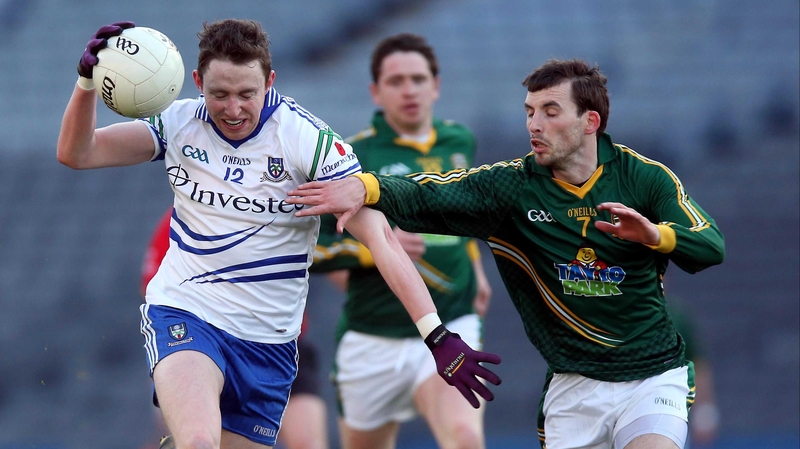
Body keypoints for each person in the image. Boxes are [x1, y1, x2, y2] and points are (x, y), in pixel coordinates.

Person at [57, 19, 500, 449]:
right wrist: (85, 85)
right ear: (196, 81)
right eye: (219, 94)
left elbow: (381, 238)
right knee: (197, 441)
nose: (233, 109)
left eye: (247, 94)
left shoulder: (306, 140)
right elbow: (78, 153)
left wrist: (437, 336)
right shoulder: (176, 123)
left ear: (270, 80)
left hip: (269, 342)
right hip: (188, 311)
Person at [287, 58, 726, 449]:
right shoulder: (510, 188)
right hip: (573, 386)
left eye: (550, 112)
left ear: (590, 121)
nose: (534, 124)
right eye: (530, 112)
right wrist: (364, 186)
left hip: (652, 377)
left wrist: (655, 236)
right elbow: (429, 196)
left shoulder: (644, 179)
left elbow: (710, 246)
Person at [310, 34, 492, 449]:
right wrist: (373, 248)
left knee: (465, 437)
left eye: (417, 78)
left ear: (436, 85)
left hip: (452, 322)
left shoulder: (460, 142)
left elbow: (462, 215)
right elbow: (314, 250)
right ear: (375, 91)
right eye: (395, 81)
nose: (408, 89)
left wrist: (477, 268)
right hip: (373, 335)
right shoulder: (350, 157)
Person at [142, 209, 330, 449]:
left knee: (309, 444)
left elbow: (333, 246)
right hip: (206, 342)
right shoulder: (184, 215)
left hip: (280, 347)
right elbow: (156, 290)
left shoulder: (282, 204)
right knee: (199, 441)